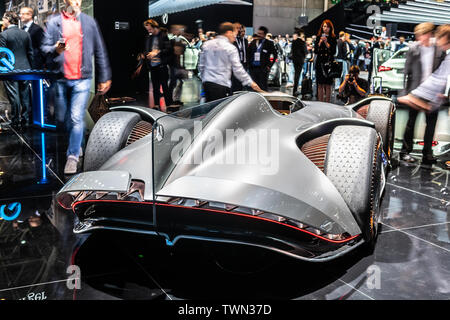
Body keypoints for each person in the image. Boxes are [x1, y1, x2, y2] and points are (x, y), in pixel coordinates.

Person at [42, 0, 112, 175]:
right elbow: (44, 48)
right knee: (63, 118)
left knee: (76, 117)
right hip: (61, 78)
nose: (77, 1)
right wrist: (55, 49)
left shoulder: (89, 22)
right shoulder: (54, 22)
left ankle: (72, 156)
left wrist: (104, 76)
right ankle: (78, 143)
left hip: (82, 78)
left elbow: (100, 50)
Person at [397, 23, 448, 166]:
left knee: (431, 125)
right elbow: (406, 72)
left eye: (422, 35)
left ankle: (427, 154)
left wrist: (442, 92)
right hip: (416, 93)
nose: (420, 38)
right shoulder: (413, 49)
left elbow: (443, 73)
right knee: (411, 123)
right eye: (418, 35)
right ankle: (405, 152)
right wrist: (404, 92)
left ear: (429, 34)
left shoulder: (439, 49)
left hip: (433, 93)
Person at [199, 22, 262, 102]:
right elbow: (238, 69)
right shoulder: (230, 48)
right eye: (234, 33)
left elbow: (201, 66)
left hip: (207, 84)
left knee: (210, 110)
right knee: (221, 111)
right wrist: (251, 83)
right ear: (228, 33)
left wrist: (204, 79)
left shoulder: (207, 45)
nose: (235, 37)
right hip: (221, 86)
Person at [0, 11, 33, 129]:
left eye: (4, 18)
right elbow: (30, 53)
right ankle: (25, 120)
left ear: (8, 19)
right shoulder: (25, 34)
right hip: (26, 69)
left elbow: (2, 55)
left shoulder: (4, 34)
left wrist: (6, 68)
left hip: (11, 70)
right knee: (25, 95)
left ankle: (15, 120)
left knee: (14, 96)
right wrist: (31, 69)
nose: (3, 21)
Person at [143, 19, 173, 111]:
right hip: (152, 66)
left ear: (155, 27)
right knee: (155, 87)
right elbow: (147, 49)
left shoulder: (163, 36)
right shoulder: (149, 38)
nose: (149, 31)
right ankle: (156, 105)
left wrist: (157, 52)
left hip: (162, 65)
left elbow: (169, 50)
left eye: (150, 29)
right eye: (147, 29)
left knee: (164, 86)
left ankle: (169, 105)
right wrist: (146, 54)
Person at [247, 26, 278, 91]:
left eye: (261, 34)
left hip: (263, 69)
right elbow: (248, 54)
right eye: (258, 33)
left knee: (263, 87)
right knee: (254, 87)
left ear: (264, 34)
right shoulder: (253, 42)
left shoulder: (269, 43)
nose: (259, 35)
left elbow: (275, 55)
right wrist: (249, 65)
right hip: (253, 68)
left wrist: (269, 65)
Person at [314, 19, 337, 102]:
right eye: (324, 26)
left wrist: (327, 43)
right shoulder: (318, 37)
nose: (325, 28)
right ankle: (320, 102)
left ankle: (327, 103)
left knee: (328, 84)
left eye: (327, 26)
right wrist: (319, 42)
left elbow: (333, 51)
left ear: (330, 28)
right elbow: (315, 51)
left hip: (328, 62)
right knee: (320, 84)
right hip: (320, 62)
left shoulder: (333, 38)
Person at [231, 22, 248, 92]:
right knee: (235, 82)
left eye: (244, 31)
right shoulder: (234, 40)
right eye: (241, 31)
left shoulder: (245, 41)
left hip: (243, 64)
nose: (242, 32)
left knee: (242, 82)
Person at [291, 31, 307, 96]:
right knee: (298, 74)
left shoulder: (294, 42)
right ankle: (296, 89)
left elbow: (292, 51)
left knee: (296, 75)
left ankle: (295, 90)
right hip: (300, 60)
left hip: (295, 60)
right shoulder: (302, 42)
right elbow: (305, 51)